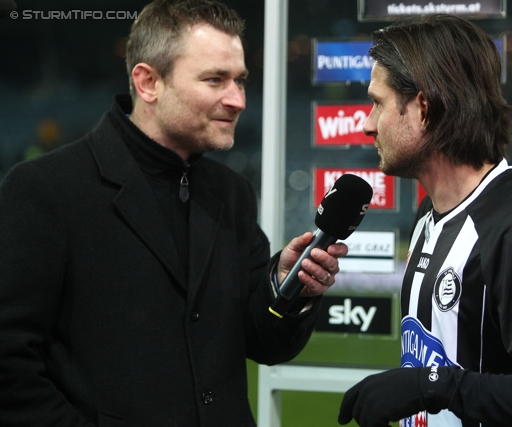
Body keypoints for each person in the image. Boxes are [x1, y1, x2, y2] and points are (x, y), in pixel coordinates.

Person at [0, 1, 347, 425]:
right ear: (148, 82)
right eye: (215, 80)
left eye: (240, 80)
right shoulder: (46, 189)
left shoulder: (231, 193)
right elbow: (9, 363)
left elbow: (262, 341)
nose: (237, 99)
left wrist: (285, 286)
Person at [338, 15, 512, 427]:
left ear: (424, 108)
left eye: (378, 103)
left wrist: (432, 386)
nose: (366, 124)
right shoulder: (430, 212)